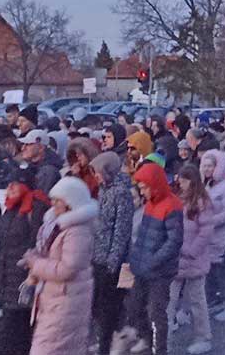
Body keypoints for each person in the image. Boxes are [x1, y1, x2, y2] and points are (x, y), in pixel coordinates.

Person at [23, 176, 99, 355]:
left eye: (59, 199)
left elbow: (68, 269)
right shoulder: (57, 226)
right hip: (57, 300)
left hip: (66, 303)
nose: (54, 203)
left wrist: (36, 263)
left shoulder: (77, 231)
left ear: (70, 202)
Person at [0, 170, 49, 355]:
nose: (9, 188)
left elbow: (39, 246)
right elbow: (2, 247)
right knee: (14, 335)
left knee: (11, 335)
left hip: (23, 283)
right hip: (7, 283)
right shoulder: (11, 209)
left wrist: (32, 278)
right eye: (8, 184)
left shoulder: (36, 209)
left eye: (14, 184)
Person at [128, 161, 184, 355]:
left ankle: (159, 350)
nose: (142, 192)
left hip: (159, 272)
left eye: (144, 188)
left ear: (154, 184)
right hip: (141, 268)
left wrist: (152, 261)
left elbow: (174, 242)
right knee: (134, 308)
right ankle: (146, 341)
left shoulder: (172, 206)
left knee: (156, 315)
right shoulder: (151, 203)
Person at [167, 164, 215, 354]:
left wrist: (191, 251)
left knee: (197, 300)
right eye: (180, 178)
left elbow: (206, 232)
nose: (181, 182)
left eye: (185, 179)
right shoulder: (178, 198)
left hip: (192, 258)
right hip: (177, 257)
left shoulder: (202, 202)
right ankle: (164, 333)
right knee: (168, 298)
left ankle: (203, 336)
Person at [90, 152, 134, 355]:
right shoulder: (103, 190)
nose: (95, 176)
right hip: (98, 256)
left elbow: (121, 230)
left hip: (114, 261)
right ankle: (118, 336)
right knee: (100, 306)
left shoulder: (121, 192)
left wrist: (112, 261)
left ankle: (107, 346)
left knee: (109, 307)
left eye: (98, 172)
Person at [200, 149, 225, 318]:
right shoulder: (207, 185)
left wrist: (211, 221)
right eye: (204, 165)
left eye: (210, 166)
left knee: (219, 269)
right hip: (205, 234)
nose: (207, 169)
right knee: (209, 270)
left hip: (219, 233)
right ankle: (214, 300)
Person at [19, 129, 62, 194]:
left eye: (28, 144)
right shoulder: (33, 165)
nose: (23, 148)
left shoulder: (48, 171)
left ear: (41, 148)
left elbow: (40, 199)